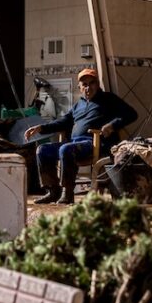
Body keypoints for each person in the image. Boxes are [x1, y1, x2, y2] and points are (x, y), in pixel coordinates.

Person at [23, 68, 138, 205]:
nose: (88, 87)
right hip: (75, 144)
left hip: (94, 143)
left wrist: (112, 125)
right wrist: (41, 127)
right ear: (80, 88)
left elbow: (131, 114)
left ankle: (68, 193)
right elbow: (64, 121)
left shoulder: (108, 99)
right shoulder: (78, 105)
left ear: (97, 84)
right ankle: (53, 191)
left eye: (92, 83)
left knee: (65, 149)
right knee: (42, 150)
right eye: (84, 85)